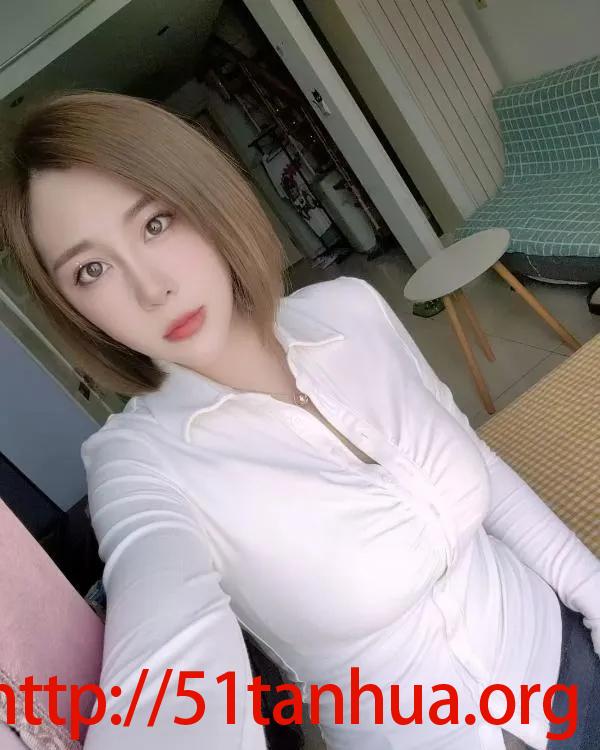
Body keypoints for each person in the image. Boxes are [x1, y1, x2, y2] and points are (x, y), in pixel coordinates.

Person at [1, 90, 598, 750]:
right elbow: (165, 637)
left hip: (562, 655)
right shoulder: (137, 463)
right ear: (74, 309)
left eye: (155, 223)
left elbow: (482, 468)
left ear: (205, 198)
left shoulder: (351, 310)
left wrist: (595, 598)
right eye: (91, 270)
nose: (152, 288)